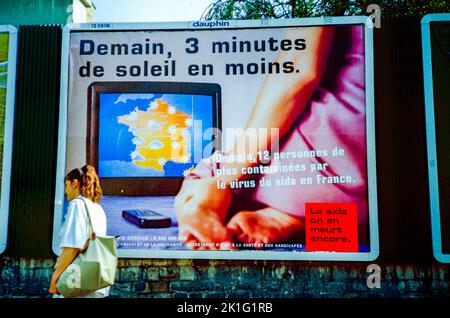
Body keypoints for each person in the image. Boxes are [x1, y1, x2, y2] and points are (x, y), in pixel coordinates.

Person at [175, 25, 368, 250]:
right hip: (366, 158)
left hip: (336, 139)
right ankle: (299, 220)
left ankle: (287, 211)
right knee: (374, 220)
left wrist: (223, 181)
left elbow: (300, 66)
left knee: (209, 176)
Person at [49, 164, 109, 298]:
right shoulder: (97, 208)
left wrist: (55, 278)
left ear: (75, 183)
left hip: (75, 281)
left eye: (66, 185)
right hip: (93, 281)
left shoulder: (77, 205)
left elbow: (72, 246)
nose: (65, 191)